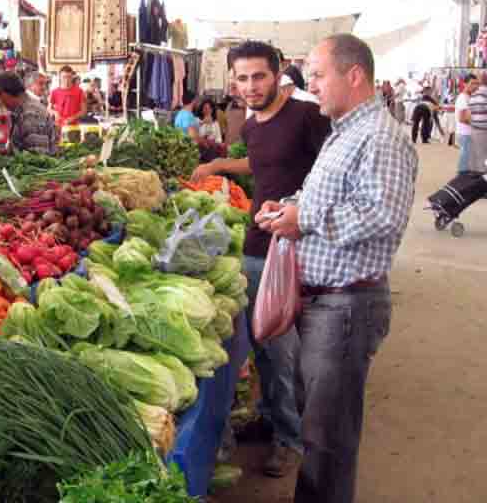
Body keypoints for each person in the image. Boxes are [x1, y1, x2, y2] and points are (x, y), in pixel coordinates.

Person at [256, 34, 417, 503]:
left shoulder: (380, 137)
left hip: (346, 307)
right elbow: (324, 200)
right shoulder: (345, 132)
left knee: (328, 440)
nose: (311, 85)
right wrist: (286, 208)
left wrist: (302, 219)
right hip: (325, 304)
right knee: (319, 427)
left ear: (354, 75)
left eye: (319, 74)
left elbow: (382, 213)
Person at [192, 40, 330, 478]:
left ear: (278, 74)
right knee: (260, 342)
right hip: (256, 245)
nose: (250, 86)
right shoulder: (251, 125)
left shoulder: (308, 116)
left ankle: (289, 440)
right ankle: (271, 417)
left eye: (259, 76)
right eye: (242, 78)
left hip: (297, 247)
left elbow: (332, 176)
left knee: (283, 349)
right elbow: (259, 163)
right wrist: (217, 167)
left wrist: (299, 213)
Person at [0, 72, 57, 155]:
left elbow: (37, 157)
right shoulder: (22, 110)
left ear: (4, 94)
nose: (0, 101)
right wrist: (8, 153)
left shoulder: (31, 114)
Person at [455, 74, 480, 174]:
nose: (475, 86)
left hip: (469, 133)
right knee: (465, 161)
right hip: (465, 133)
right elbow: (462, 118)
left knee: (468, 159)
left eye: (477, 84)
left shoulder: (470, 97)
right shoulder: (463, 98)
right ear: (465, 84)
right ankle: (461, 180)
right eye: (472, 83)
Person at [467, 72, 487, 174]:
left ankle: (477, 175)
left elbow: (470, 113)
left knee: (477, 154)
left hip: (475, 128)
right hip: (484, 129)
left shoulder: (473, 95)